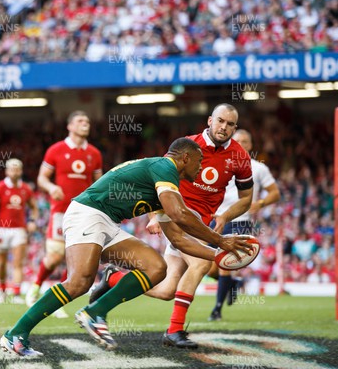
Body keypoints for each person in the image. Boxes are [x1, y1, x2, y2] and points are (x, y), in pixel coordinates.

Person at [0, 137, 253, 357]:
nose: (200, 169)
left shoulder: (165, 180)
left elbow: (178, 239)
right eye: (199, 162)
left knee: (156, 267)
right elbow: (179, 214)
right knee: (79, 283)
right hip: (88, 213)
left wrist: (218, 255)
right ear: (185, 158)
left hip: (106, 221)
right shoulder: (164, 166)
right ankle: (15, 334)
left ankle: (95, 312)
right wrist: (220, 241)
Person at [90, 103, 254, 349]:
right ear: (210, 120)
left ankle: (113, 278)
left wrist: (224, 216)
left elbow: (246, 200)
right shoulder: (187, 146)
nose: (224, 127)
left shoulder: (240, 156)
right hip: (179, 214)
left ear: (235, 127)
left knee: (167, 290)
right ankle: (174, 331)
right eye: (220, 121)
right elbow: (160, 179)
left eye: (230, 124)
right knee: (201, 264)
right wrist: (156, 214)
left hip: (203, 222)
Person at [25, 110, 103, 319]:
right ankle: (34, 288)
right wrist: (51, 188)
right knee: (56, 255)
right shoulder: (56, 150)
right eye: (80, 120)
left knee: (75, 260)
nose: (85, 123)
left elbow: (99, 182)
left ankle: (58, 299)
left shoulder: (94, 154)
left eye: (87, 120)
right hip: (60, 211)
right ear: (70, 126)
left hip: (85, 213)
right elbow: (41, 178)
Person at [208, 129, 280, 321]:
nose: (240, 143)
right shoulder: (221, 163)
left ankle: (216, 310)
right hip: (216, 219)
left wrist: (261, 203)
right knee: (207, 266)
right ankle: (232, 284)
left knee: (225, 266)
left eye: (245, 141)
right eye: (237, 140)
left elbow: (275, 193)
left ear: (250, 145)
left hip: (241, 220)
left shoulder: (258, 168)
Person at [0, 158, 38, 304]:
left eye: (17, 169)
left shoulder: (26, 188)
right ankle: (2, 292)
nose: (15, 172)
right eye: (12, 169)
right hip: (2, 230)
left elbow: (34, 207)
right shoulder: (0, 187)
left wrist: (32, 221)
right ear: (7, 171)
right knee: (1, 263)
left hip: (19, 230)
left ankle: (16, 294)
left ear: (21, 171)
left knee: (18, 263)